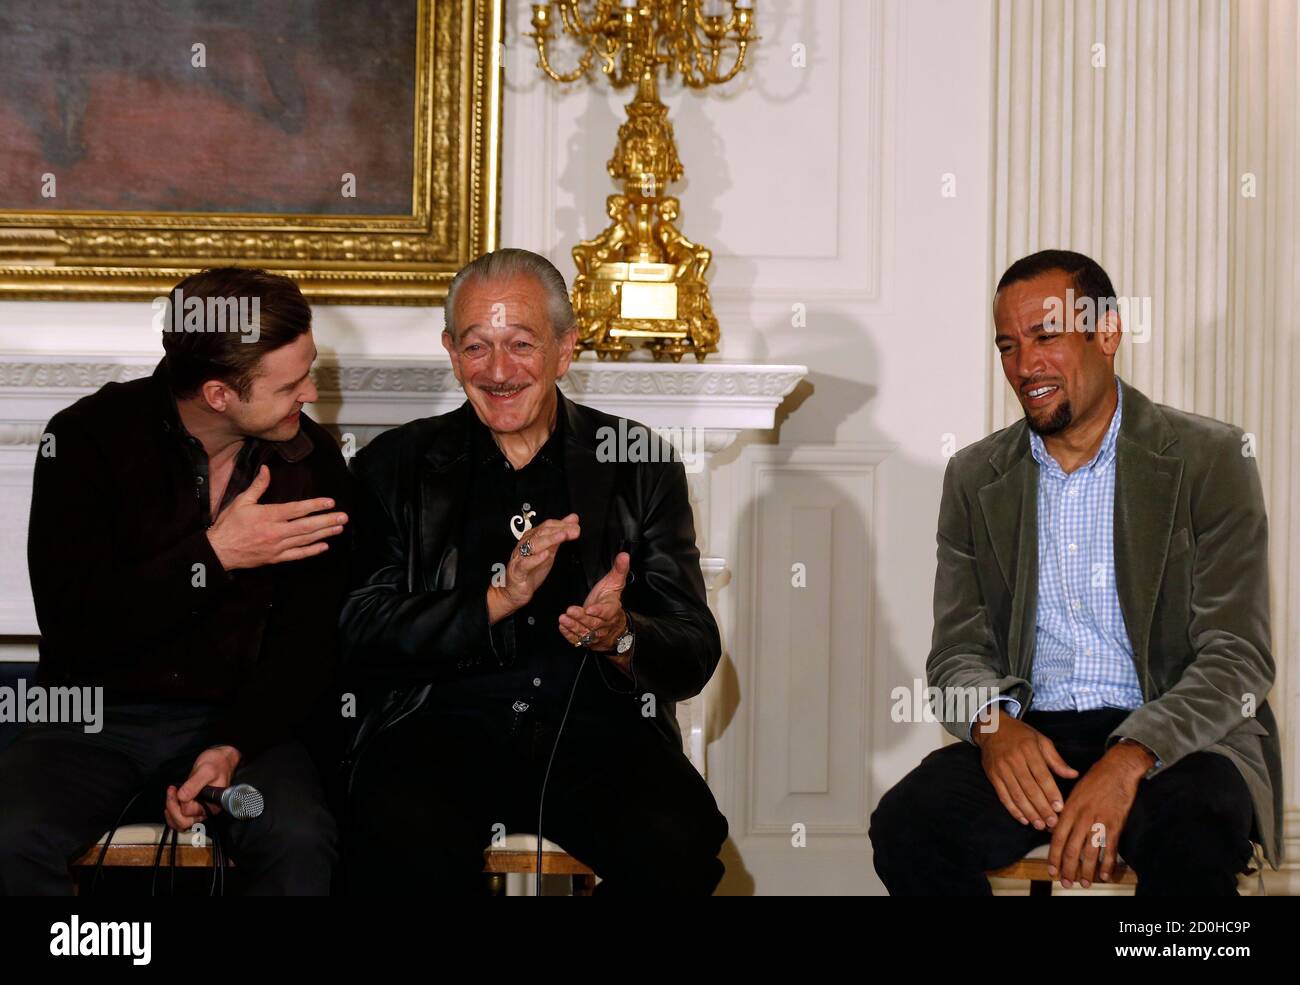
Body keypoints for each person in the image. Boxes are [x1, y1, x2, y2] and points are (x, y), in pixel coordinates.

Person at [869, 249, 1282, 895]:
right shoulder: (976, 477)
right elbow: (955, 654)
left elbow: (1238, 658)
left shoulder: (1210, 458)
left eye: (1046, 336)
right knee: (907, 824)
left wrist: (1130, 756)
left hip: (1178, 737)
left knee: (1191, 833)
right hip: (1037, 732)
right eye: (1007, 345)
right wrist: (992, 723)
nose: (1025, 365)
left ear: (1107, 333)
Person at [340, 248, 728, 894]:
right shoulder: (394, 467)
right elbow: (359, 630)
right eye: (476, 346)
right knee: (396, 841)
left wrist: (622, 634)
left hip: (596, 732)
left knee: (683, 840)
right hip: (437, 727)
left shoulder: (637, 464)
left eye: (521, 344)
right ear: (449, 349)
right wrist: (494, 598)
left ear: (565, 348)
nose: (498, 371)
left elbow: (693, 648)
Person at [0, 267, 351, 895]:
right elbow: (76, 626)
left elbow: (311, 643)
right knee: (10, 839)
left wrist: (231, 745)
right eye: (291, 384)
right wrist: (215, 556)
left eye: (311, 369)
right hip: (89, 717)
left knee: (299, 839)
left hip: (245, 721)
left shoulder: (312, 458)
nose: (311, 396)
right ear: (219, 394)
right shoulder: (85, 439)